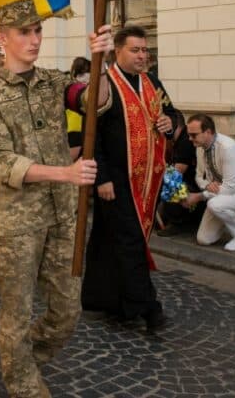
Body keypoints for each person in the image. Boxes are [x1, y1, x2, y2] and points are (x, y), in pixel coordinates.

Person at [0, 0, 113, 398]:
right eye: (24, 32)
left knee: (67, 310)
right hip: (17, 222)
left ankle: (24, 359)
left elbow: (92, 102)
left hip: (62, 215)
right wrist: (65, 173)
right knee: (16, 313)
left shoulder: (53, 82)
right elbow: (0, 164)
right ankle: (23, 384)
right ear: (3, 39)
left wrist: (103, 59)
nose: (34, 40)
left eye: (38, 31)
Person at [82, 25, 177, 329]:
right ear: (117, 51)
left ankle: (101, 298)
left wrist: (169, 122)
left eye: (145, 50)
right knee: (130, 241)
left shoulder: (152, 82)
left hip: (148, 179)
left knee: (107, 239)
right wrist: (102, 178)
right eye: (135, 50)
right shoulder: (105, 85)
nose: (142, 55)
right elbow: (91, 135)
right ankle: (147, 307)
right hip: (116, 179)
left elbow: (175, 114)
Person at [183, 114, 235, 251]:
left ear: (208, 132)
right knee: (204, 239)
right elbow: (198, 177)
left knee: (214, 204)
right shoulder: (199, 147)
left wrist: (199, 196)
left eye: (193, 135)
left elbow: (230, 188)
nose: (190, 139)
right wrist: (207, 185)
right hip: (221, 195)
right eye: (189, 135)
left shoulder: (228, 147)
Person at [156, 109, 205, 236]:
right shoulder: (179, 139)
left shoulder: (185, 141)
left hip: (195, 188)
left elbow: (177, 172)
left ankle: (178, 223)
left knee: (170, 180)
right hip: (194, 184)